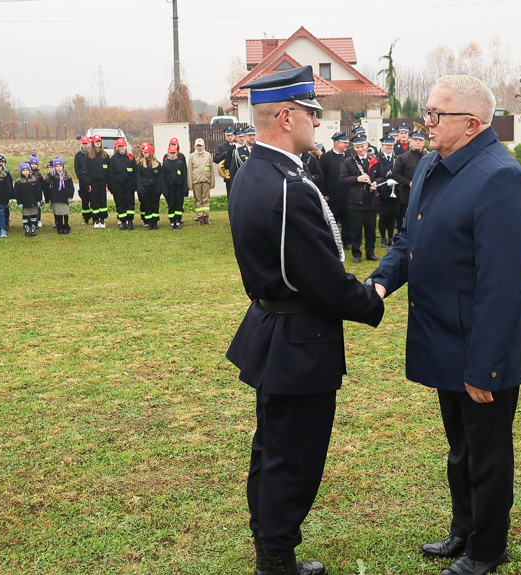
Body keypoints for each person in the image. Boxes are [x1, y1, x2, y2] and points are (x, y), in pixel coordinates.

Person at [369, 74, 521, 575]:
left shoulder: (499, 177)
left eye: (437, 114)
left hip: (479, 348)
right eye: (428, 112)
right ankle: (465, 528)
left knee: (487, 453)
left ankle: (487, 549)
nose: (427, 122)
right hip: (441, 336)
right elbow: (409, 240)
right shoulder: (434, 165)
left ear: (472, 123)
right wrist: (378, 283)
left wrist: (484, 367)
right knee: (460, 446)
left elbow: (502, 286)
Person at [225, 65, 383, 575]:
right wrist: (371, 297)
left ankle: (270, 547)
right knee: (294, 456)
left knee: (272, 448)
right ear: (288, 116)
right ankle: (275, 558)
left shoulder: (255, 170)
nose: (318, 123)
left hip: (275, 331)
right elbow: (322, 279)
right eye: (313, 114)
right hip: (298, 338)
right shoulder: (289, 185)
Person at [340, 134, 380, 263]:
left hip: (371, 200)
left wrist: (376, 183)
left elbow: (381, 176)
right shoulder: (348, 162)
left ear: (367, 146)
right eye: (357, 147)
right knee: (356, 229)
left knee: (371, 229)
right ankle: (356, 254)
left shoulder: (374, 161)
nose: (360, 149)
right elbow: (342, 179)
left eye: (362, 146)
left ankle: (370, 252)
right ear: (354, 148)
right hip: (355, 201)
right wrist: (357, 179)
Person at [392, 131, 428, 232]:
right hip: (407, 195)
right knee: (408, 220)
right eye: (415, 140)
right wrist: (408, 183)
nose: (417, 142)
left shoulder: (429, 157)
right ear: (410, 142)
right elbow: (395, 173)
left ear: (424, 143)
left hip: (424, 194)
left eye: (420, 140)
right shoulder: (403, 157)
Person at [318, 132, 350, 239]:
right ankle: (332, 240)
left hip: (348, 195)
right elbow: (321, 176)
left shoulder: (350, 156)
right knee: (332, 221)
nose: (347, 145)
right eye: (344, 142)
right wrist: (325, 193)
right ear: (337, 143)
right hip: (332, 196)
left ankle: (347, 241)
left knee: (347, 220)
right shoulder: (326, 157)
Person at [374, 134, 399, 247]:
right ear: (382, 146)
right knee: (383, 217)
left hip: (394, 192)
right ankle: (383, 238)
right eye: (386, 145)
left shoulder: (397, 158)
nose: (389, 147)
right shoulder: (377, 159)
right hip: (382, 191)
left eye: (391, 145)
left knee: (392, 216)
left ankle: (390, 237)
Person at [108, 138, 137, 230]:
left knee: (130, 203)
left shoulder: (131, 158)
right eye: (119, 146)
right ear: (117, 147)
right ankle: (123, 222)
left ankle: (130, 222)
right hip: (118, 185)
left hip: (129, 185)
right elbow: (111, 174)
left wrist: (134, 185)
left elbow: (135, 173)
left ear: (125, 146)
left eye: (122, 146)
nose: (121, 148)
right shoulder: (113, 159)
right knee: (120, 203)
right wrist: (112, 186)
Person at [136, 142, 164, 230]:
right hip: (145, 188)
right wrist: (140, 188)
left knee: (155, 205)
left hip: (155, 189)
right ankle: (149, 223)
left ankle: (155, 222)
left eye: (146, 152)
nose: (144, 153)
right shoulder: (140, 164)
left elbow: (160, 178)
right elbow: (138, 178)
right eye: (144, 152)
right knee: (147, 205)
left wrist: (159, 189)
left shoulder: (157, 164)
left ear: (151, 153)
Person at [187, 138, 215, 225]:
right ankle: (199, 217)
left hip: (206, 180)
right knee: (198, 200)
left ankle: (206, 216)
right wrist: (190, 183)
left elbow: (211, 169)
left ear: (204, 146)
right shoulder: (192, 156)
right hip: (196, 181)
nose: (199, 148)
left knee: (206, 199)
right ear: (195, 146)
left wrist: (212, 181)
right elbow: (189, 170)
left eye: (201, 146)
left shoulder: (208, 155)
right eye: (198, 146)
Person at [161, 144, 188, 229]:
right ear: (168, 154)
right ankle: (172, 221)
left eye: (173, 153)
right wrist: (164, 190)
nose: (172, 155)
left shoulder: (180, 163)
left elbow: (184, 177)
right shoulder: (165, 164)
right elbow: (163, 179)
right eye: (170, 153)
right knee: (171, 205)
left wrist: (185, 189)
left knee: (179, 205)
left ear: (176, 153)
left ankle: (178, 220)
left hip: (179, 188)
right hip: (169, 188)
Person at [47, 157, 74, 234]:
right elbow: (49, 184)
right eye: (57, 166)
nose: (59, 168)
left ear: (63, 167)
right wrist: (51, 176)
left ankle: (66, 225)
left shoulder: (67, 176)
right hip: (56, 197)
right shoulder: (53, 177)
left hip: (65, 197)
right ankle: (60, 226)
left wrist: (70, 196)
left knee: (65, 212)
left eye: (60, 166)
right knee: (58, 213)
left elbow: (71, 187)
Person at [14, 162, 41, 237]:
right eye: (24, 170)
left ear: (29, 171)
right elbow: (17, 193)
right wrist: (19, 202)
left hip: (33, 201)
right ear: (21, 171)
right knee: (25, 216)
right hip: (24, 202)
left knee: (33, 216)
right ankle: (26, 228)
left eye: (27, 170)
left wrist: (39, 200)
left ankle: (33, 227)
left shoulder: (34, 180)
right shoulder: (18, 181)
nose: (25, 172)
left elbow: (38, 190)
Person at [88, 135, 110, 228]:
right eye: (96, 141)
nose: (98, 143)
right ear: (93, 143)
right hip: (93, 183)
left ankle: (102, 220)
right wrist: (88, 183)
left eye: (99, 141)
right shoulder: (89, 156)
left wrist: (107, 184)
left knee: (102, 201)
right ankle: (95, 220)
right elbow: (86, 171)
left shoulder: (105, 156)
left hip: (102, 183)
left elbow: (109, 171)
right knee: (94, 201)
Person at [74, 136, 93, 225]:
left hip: (92, 181)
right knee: (85, 200)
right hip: (83, 182)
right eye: (83, 144)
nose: (85, 145)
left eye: (86, 144)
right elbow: (77, 169)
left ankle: (94, 217)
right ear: (81, 144)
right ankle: (86, 218)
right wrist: (83, 178)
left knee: (93, 199)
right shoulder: (78, 156)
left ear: (89, 144)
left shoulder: (92, 154)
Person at [214, 127, 236, 198]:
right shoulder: (222, 147)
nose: (230, 137)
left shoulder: (238, 144)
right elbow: (216, 159)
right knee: (230, 194)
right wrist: (225, 154)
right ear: (225, 136)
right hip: (228, 174)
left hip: (238, 172)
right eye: (228, 135)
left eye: (231, 135)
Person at [28, 154, 45, 228]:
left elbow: (41, 185)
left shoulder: (39, 174)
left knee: (38, 208)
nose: (33, 166)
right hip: (30, 193)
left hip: (37, 193)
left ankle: (38, 220)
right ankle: (30, 221)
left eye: (35, 164)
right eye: (32, 164)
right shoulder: (28, 173)